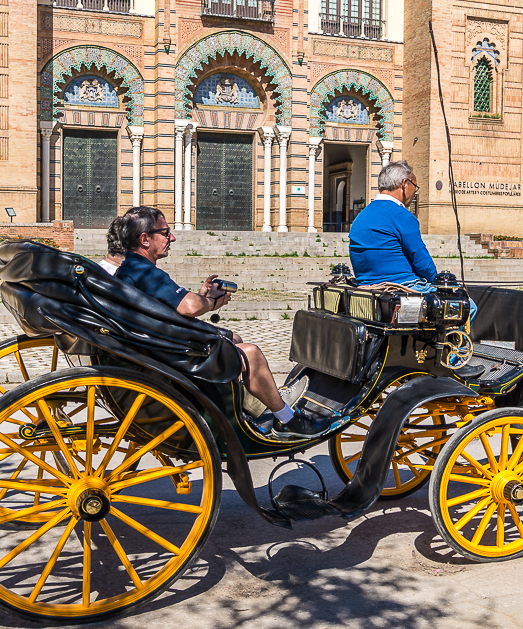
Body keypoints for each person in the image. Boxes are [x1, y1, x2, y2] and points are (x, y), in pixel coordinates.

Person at [100, 205, 317, 434]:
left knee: (234, 337)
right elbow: (189, 307)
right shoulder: (144, 271)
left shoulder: (130, 269)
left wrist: (201, 296)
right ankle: (288, 419)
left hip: (156, 347)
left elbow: (164, 308)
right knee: (251, 353)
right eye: (165, 233)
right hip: (170, 358)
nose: (171, 237)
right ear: (145, 239)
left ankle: (241, 408)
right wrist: (212, 302)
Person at [348, 160, 438, 292]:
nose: (414, 194)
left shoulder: (361, 217)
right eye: (415, 186)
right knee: (468, 306)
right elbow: (422, 262)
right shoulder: (402, 215)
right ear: (404, 184)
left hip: (367, 286)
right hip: (402, 286)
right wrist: (439, 283)